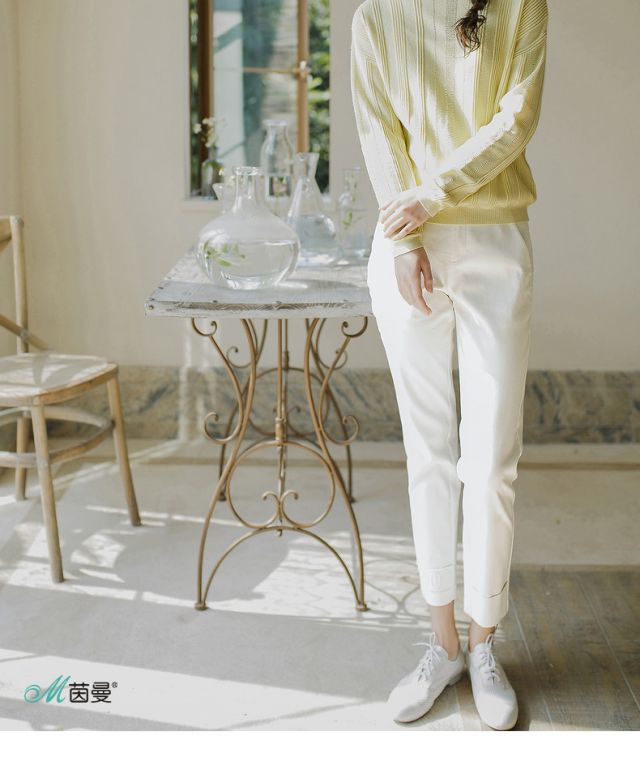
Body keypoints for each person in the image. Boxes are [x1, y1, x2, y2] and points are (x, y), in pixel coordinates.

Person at [350, 0, 548, 729]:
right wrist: (405, 243)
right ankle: (442, 646)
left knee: (491, 460)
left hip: (494, 241)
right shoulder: (375, 16)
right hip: (408, 248)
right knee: (428, 452)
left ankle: (485, 642)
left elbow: (516, 120)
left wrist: (432, 194)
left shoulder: (521, 5)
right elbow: (378, 130)